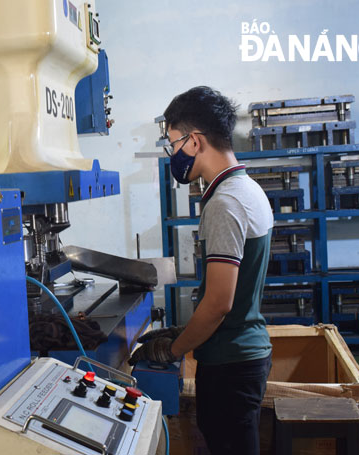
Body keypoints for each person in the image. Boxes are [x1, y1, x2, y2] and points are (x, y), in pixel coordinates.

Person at [129, 86, 274, 454]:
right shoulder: (247, 189)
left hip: (230, 364)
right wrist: (186, 331)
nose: (173, 153)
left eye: (174, 142)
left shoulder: (224, 204)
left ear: (194, 141)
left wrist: (174, 349)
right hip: (243, 355)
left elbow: (219, 304)